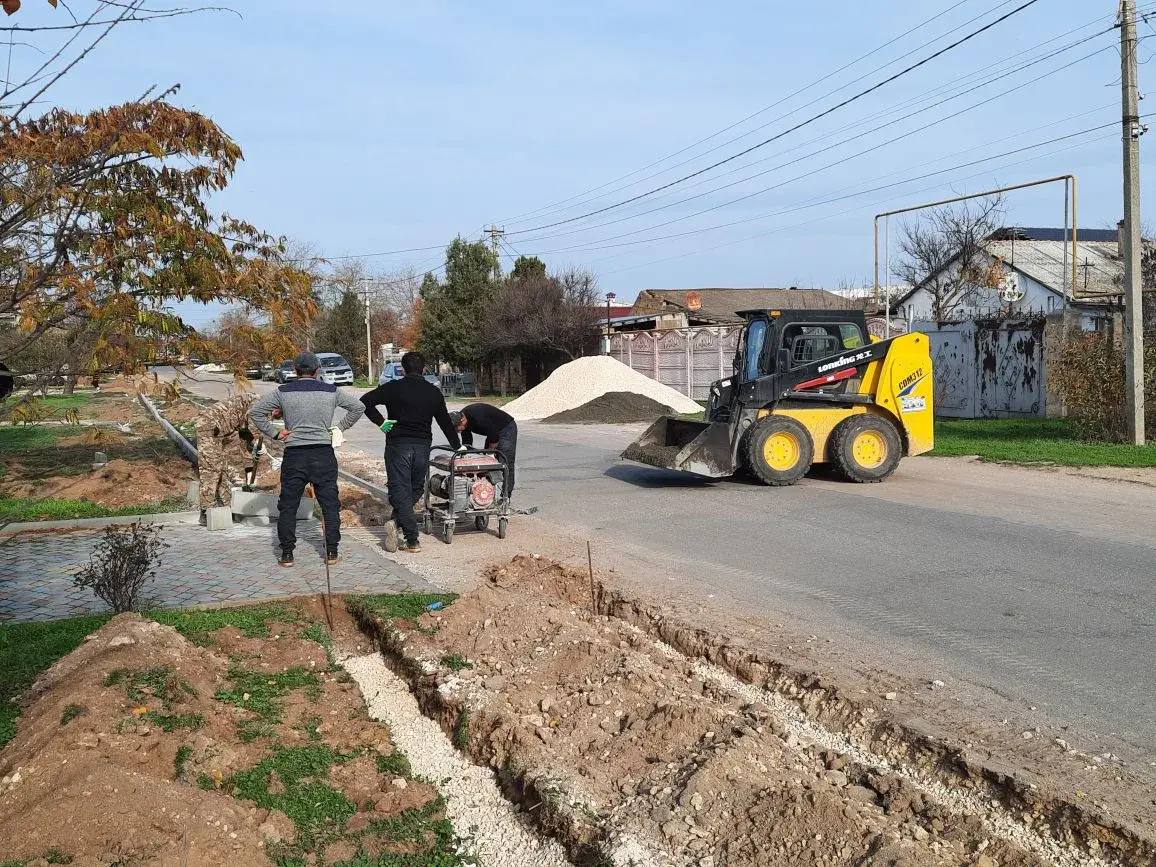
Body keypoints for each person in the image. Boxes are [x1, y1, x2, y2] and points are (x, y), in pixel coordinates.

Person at [249, 352, 365, 567]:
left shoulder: (282, 392)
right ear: (317, 370)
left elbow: (256, 412)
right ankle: (331, 552)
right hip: (323, 454)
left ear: (295, 370)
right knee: (329, 505)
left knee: (289, 505)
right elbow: (358, 407)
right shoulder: (331, 391)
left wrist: (275, 433)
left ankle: (287, 554)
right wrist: (339, 428)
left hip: (295, 455)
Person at [359, 351, 459, 554]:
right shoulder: (433, 393)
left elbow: (364, 402)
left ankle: (405, 532)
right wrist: (459, 448)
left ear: (403, 369)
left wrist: (382, 422)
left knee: (401, 490)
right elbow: (446, 424)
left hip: (398, 446)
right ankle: (406, 531)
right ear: (423, 369)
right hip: (422, 447)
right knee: (413, 489)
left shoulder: (392, 388)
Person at [194, 390, 260, 521]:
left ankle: (227, 508)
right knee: (211, 470)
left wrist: (251, 448)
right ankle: (206, 511)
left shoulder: (255, 403)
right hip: (209, 427)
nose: (276, 417)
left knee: (222, 470)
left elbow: (244, 435)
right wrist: (256, 442)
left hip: (222, 431)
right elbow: (253, 427)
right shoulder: (259, 404)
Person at [450, 403, 518, 497]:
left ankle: (506, 497)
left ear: (462, 420)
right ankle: (485, 493)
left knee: (505, 463)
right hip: (492, 431)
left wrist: (490, 453)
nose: (456, 431)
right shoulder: (463, 416)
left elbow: (494, 436)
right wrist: (464, 454)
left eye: (456, 427)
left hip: (506, 428)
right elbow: (467, 441)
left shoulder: (477, 416)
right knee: (485, 464)